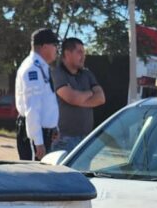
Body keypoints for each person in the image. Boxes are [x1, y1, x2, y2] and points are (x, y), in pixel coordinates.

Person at [52, 37, 105, 153]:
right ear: (67, 53)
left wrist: (79, 99)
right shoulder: (57, 74)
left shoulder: (87, 74)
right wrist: (91, 92)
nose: (83, 56)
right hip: (64, 140)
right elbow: (72, 98)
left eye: (84, 53)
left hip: (85, 140)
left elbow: (101, 98)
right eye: (79, 52)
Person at [15, 28, 60, 161]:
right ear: (45, 46)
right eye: (55, 45)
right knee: (33, 177)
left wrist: (54, 127)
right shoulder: (32, 69)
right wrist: (38, 143)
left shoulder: (42, 67)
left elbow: (48, 101)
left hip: (44, 133)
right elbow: (32, 108)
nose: (56, 49)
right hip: (34, 134)